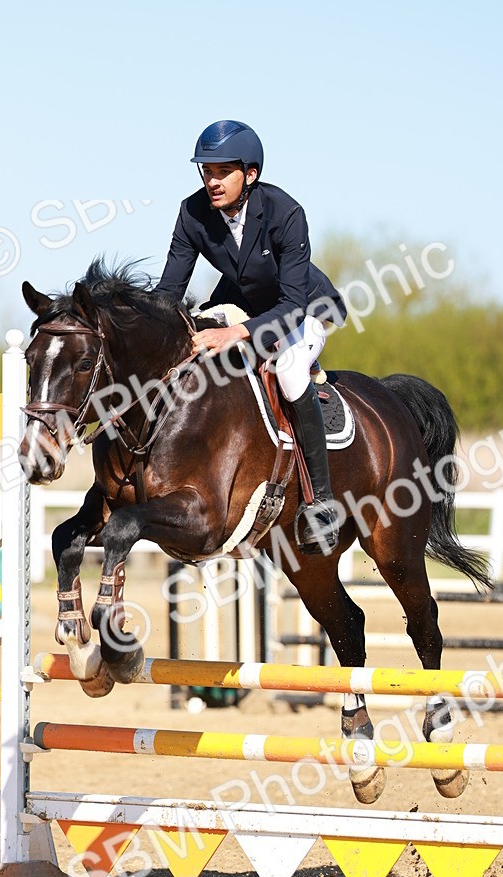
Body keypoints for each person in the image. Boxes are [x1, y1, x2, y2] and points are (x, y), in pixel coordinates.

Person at [154, 119, 347, 554]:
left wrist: (235, 334)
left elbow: (293, 303)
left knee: (291, 369)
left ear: (251, 174)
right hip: (242, 302)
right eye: (206, 170)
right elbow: (169, 293)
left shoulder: (285, 213)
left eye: (223, 171)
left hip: (304, 309)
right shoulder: (192, 213)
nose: (212, 181)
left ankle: (321, 502)